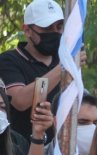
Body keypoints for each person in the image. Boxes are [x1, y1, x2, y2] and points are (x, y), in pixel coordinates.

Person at [0, 0, 64, 141]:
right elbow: (20, 101)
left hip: (58, 152)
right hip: (21, 153)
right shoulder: (9, 60)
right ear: (27, 30)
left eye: (59, 27)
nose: (54, 33)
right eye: (47, 28)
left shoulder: (62, 60)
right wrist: (63, 68)